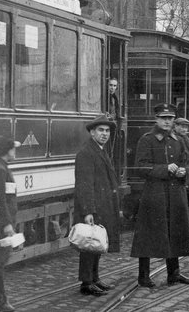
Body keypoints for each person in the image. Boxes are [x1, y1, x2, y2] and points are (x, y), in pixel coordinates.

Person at [131, 103, 189, 288]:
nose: (167, 121)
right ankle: (143, 276)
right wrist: (164, 169)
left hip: (176, 194)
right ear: (156, 119)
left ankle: (174, 274)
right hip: (155, 194)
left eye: (170, 118)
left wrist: (185, 172)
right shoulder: (147, 139)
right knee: (148, 234)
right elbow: (140, 167)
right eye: (163, 118)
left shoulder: (179, 140)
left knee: (176, 232)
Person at [74, 114, 121, 296]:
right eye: (100, 130)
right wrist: (88, 211)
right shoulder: (86, 153)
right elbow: (84, 185)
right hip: (93, 207)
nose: (104, 134)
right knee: (89, 244)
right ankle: (86, 282)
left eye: (107, 130)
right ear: (92, 132)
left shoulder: (100, 150)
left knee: (97, 243)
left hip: (102, 205)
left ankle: (94, 278)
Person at [0, 136, 21, 311]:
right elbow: (0, 200)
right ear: (7, 151)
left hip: (3, 222)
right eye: (13, 148)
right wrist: (7, 224)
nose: (15, 151)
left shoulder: (0, 167)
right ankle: (0, 300)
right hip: (2, 225)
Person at [173, 118, 189, 207]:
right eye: (182, 127)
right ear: (175, 126)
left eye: (186, 127)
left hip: (187, 170)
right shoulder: (175, 139)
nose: (184, 130)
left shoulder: (186, 139)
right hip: (180, 171)